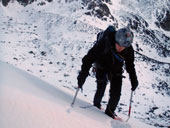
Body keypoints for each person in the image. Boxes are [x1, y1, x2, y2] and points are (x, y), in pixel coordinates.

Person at [77, 26, 138, 119]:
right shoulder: (104, 44)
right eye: (120, 46)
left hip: (116, 69)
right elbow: (87, 59)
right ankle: (96, 105)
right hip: (102, 65)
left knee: (116, 92)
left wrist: (134, 80)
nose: (121, 49)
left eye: (124, 47)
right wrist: (83, 75)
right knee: (101, 85)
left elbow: (130, 65)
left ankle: (110, 112)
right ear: (115, 41)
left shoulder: (128, 49)